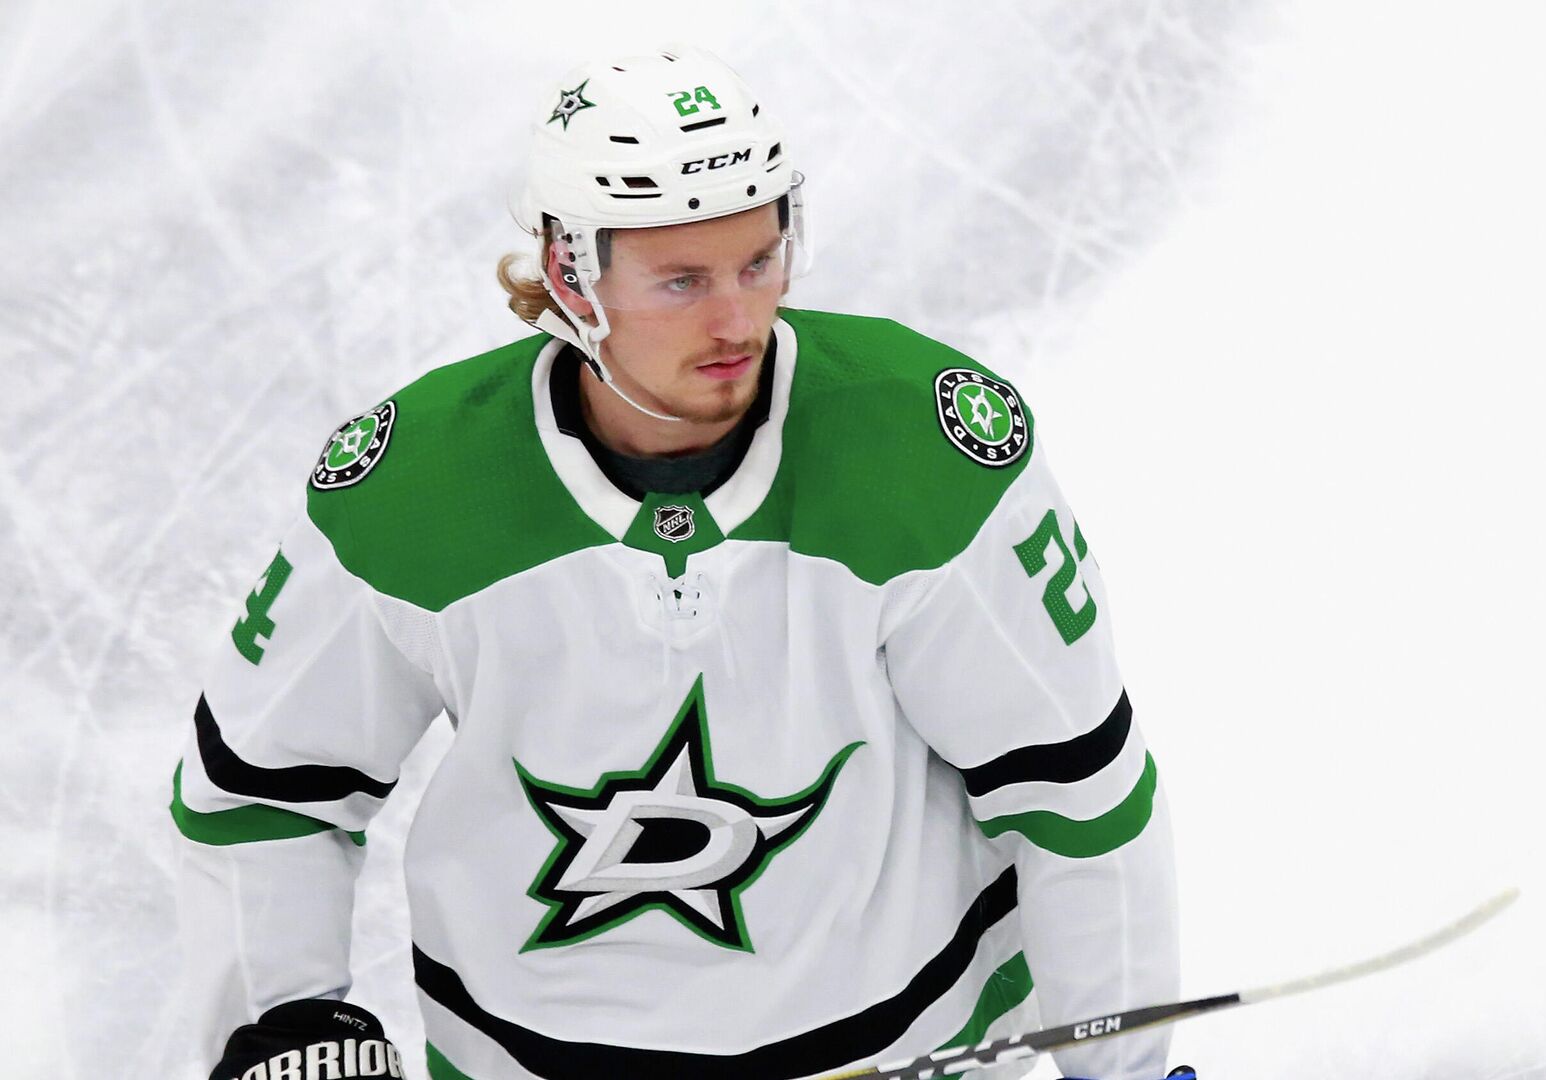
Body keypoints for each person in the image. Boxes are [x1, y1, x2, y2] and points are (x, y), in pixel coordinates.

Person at [173, 45, 1181, 1080]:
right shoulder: (413, 491)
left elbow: (1077, 796)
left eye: (758, 263)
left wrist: (1131, 1072)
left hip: (912, 1055)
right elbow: (264, 791)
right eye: (683, 281)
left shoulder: (930, 457)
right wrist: (283, 1020)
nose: (738, 319)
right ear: (572, 274)